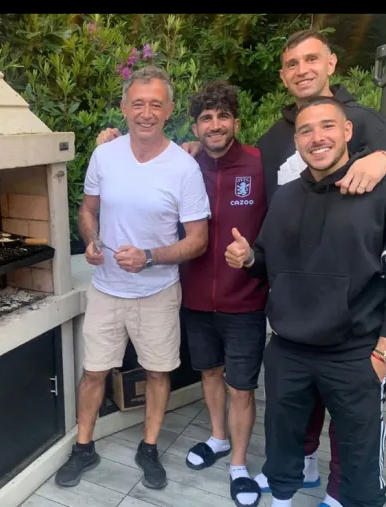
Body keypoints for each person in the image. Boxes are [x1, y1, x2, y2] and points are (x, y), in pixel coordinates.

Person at [98, 29, 386, 507]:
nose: (315, 137)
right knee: (275, 408)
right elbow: (269, 228)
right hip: (262, 317)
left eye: (311, 59)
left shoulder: (362, 133)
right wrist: (115, 143)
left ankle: (340, 491)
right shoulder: (236, 155)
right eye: (293, 64)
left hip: (321, 322)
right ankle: (281, 470)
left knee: (350, 425)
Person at [225, 96, 386, 507]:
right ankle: (282, 497)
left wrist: (384, 353)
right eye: (305, 130)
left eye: (327, 126)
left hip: (355, 353)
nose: (317, 137)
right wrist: (249, 258)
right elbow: (270, 265)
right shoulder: (285, 197)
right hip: (288, 349)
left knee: (359, 457)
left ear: (348, 132)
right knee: (282, 443)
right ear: (297, 141)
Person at [99, 81, 269, 506]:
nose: (215, 125)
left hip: (244, 296)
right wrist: (112, 140)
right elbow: (140, 167)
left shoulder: (259, 165)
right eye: (206, 118)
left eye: (223, 116)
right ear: (194, 124)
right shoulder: (185, 161)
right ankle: (217, 439)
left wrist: (258, 258)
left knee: (242, 388)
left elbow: (282, 225)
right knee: (209, 373)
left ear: (236, 121)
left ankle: (240, 465)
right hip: (194, 295)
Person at [55, 65, 211, 491]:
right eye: (138, 103)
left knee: (158, 373)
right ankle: (83, 448)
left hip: (158, 292)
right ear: (124, 108)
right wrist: (91, 239)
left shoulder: (183, 168)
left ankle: (149, 446)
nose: (147, 112)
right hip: (106, 289)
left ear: (169, 110)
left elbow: (198, 239)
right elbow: (87, 210)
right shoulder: (105, 154)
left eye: (156, 104)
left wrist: (149, 257)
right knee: (93, 373)